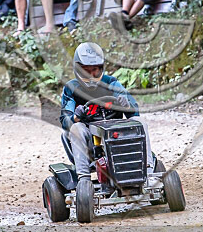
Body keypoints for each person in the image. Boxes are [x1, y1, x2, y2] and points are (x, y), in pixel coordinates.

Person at [59, 42, 152, 195]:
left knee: (140, 123)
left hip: (115, 135)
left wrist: (126, 104)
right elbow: (65, 121)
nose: (90, 75)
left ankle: (148, 172)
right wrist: (77, 117)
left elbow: (134, 113)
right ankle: (84, 180)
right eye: (86, 71)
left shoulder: (111, 83)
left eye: (94, 70)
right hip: (89, 141)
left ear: (101, 68)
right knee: (76, 128)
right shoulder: (71, 88)